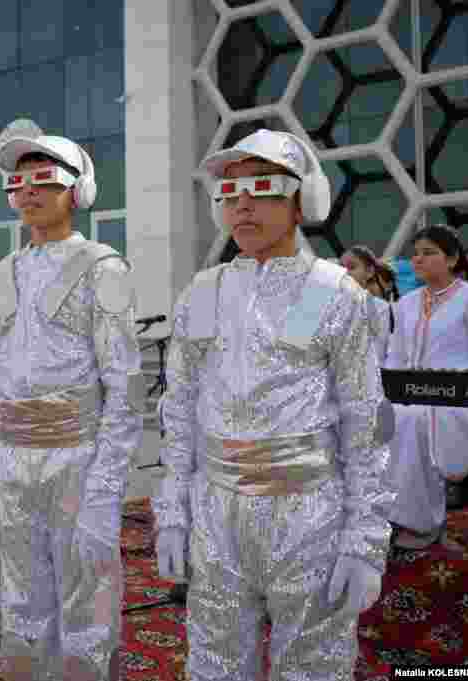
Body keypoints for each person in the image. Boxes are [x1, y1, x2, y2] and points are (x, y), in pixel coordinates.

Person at [155, 129, 394, 679]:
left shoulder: (329, 292)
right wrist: (172, 514)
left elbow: (364, 422)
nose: (242, 203)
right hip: (216, 511)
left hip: (307, 512)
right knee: (212, 659)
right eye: (230, 192)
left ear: (301, 198)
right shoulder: (204, 292)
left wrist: (365, 541)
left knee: (313, 664)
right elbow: (181, 412)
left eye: (263, 187)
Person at [0, 119, 144, 678]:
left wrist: (107, 484)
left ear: (77, 190)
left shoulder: (101, 267)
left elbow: (124, 384)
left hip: (77, 454)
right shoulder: (3, 271)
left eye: (43, 179)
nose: (28, 193)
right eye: (16, 184)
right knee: (20, 597)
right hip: (12, 457)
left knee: (86, 596)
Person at [385, 225, 468, 548]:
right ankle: (388, 514)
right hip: (412, 396)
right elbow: (394, 357)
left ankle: (422, 524)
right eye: (415, 253)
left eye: (428, 252)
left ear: (452, 259)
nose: (417, 259)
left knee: (414, 420)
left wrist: (441, 379)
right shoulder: (406, 303)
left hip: (463, 400)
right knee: (377, 417)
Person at [341, 244, 397, 363]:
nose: (344, 272)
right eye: (341, 267)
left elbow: (378, 353)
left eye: (351, 267)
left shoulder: (380, 307)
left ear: (370, 272)